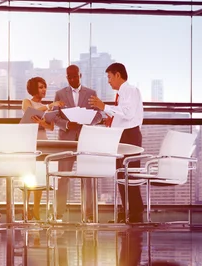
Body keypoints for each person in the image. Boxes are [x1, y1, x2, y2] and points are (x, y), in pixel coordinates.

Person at [89, 62, 144, 223]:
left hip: (130, 135)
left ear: (118, 75)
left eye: (110, 77)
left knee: (130, 175)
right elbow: (123, 115)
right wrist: (111, 121)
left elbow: (128, 113)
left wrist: (103, 106)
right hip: (122, 135)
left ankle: (135, 212)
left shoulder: (131, 90)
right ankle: (127, 212)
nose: (108, 81)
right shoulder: (122, 94)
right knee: (121, 174)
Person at [53, 64, 102, 222]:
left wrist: (88, 122)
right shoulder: (59, 94)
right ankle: (58, 214)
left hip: (85, 138)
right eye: (69, 77)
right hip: (66, 140)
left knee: (87, 177)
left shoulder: (91, 93)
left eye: (75, 76)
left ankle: (89, 215)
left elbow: (99, 115)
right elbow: (54, 117)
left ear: (80, 75)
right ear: (67, 77)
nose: (73, 79)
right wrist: (67, 125)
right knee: (63, 177)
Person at [21, 76, 63, 220]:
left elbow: (51, 127)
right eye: (40, 87)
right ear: (33, 89)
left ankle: (36, 209)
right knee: (28, 174)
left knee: (39, 176)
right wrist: (49, 106)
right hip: (29, 141)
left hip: (42, 140)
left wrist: (44, 122)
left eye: (45, 87)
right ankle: (25, 208)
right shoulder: (28, 102)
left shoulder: (46, 108)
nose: (44, 90)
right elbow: (30, 111)